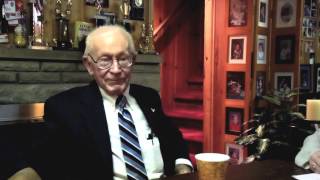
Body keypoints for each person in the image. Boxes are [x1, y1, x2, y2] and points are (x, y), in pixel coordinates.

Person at [9, 25, 192, 179]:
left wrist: (183, 167)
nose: (116, 69)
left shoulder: (148, 97)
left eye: (123, 59)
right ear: (89, 65)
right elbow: (38, 159)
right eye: (105, 61)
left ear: (133, 61)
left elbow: (174, 139)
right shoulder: (65, 108)